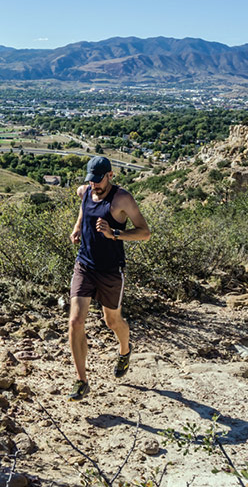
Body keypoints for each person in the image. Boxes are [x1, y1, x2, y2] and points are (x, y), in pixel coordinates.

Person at [67, 156, 151, 401]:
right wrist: (77, 227)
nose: (95, 185)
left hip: (111, 271)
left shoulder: (122, 199)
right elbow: (84, 209)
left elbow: (144, 233)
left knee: (112, 321)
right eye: (91, 181)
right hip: (84, 266)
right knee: (75, 322)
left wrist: (115, 233)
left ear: (110, 175)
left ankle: (125, 350)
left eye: (99, 180)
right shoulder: (85, 191)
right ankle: (82, 381)